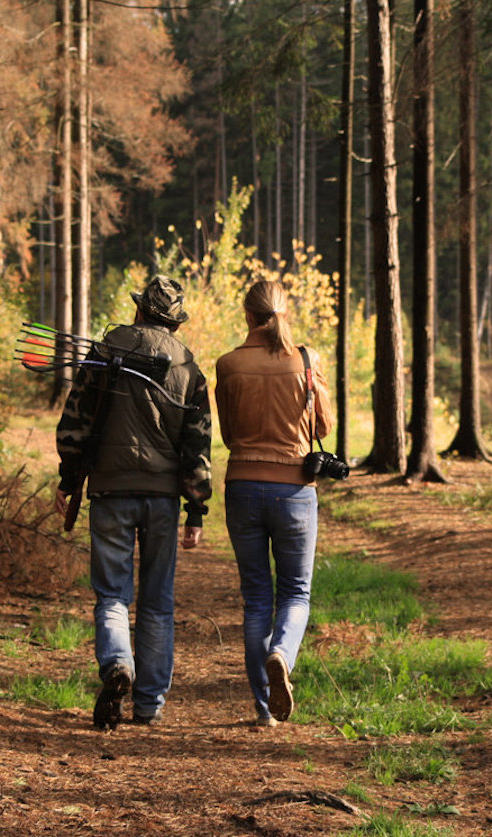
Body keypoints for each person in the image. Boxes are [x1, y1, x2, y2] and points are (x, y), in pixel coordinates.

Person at [55, 274, 212, 730]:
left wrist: (69, 476)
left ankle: (118, 662)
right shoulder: (188, 366)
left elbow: (76, 420)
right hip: (163, 499)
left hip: (110, 492)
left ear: (140, 309)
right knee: (158, 602)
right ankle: (148, 705)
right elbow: (197, 444)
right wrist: (195, 508)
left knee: (112, 594)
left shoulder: (105, 351)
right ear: (174, 322)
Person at [215, 280, 335, 727]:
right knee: (296, 593)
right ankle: (281, 653)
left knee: (256, 598)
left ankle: (265, 709)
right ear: (285, 312)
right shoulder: (306, 360)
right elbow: (323, 424)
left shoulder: (228, 364)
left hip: (243, 484)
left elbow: (227, 434)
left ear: (248, 315)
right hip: (295, 490)